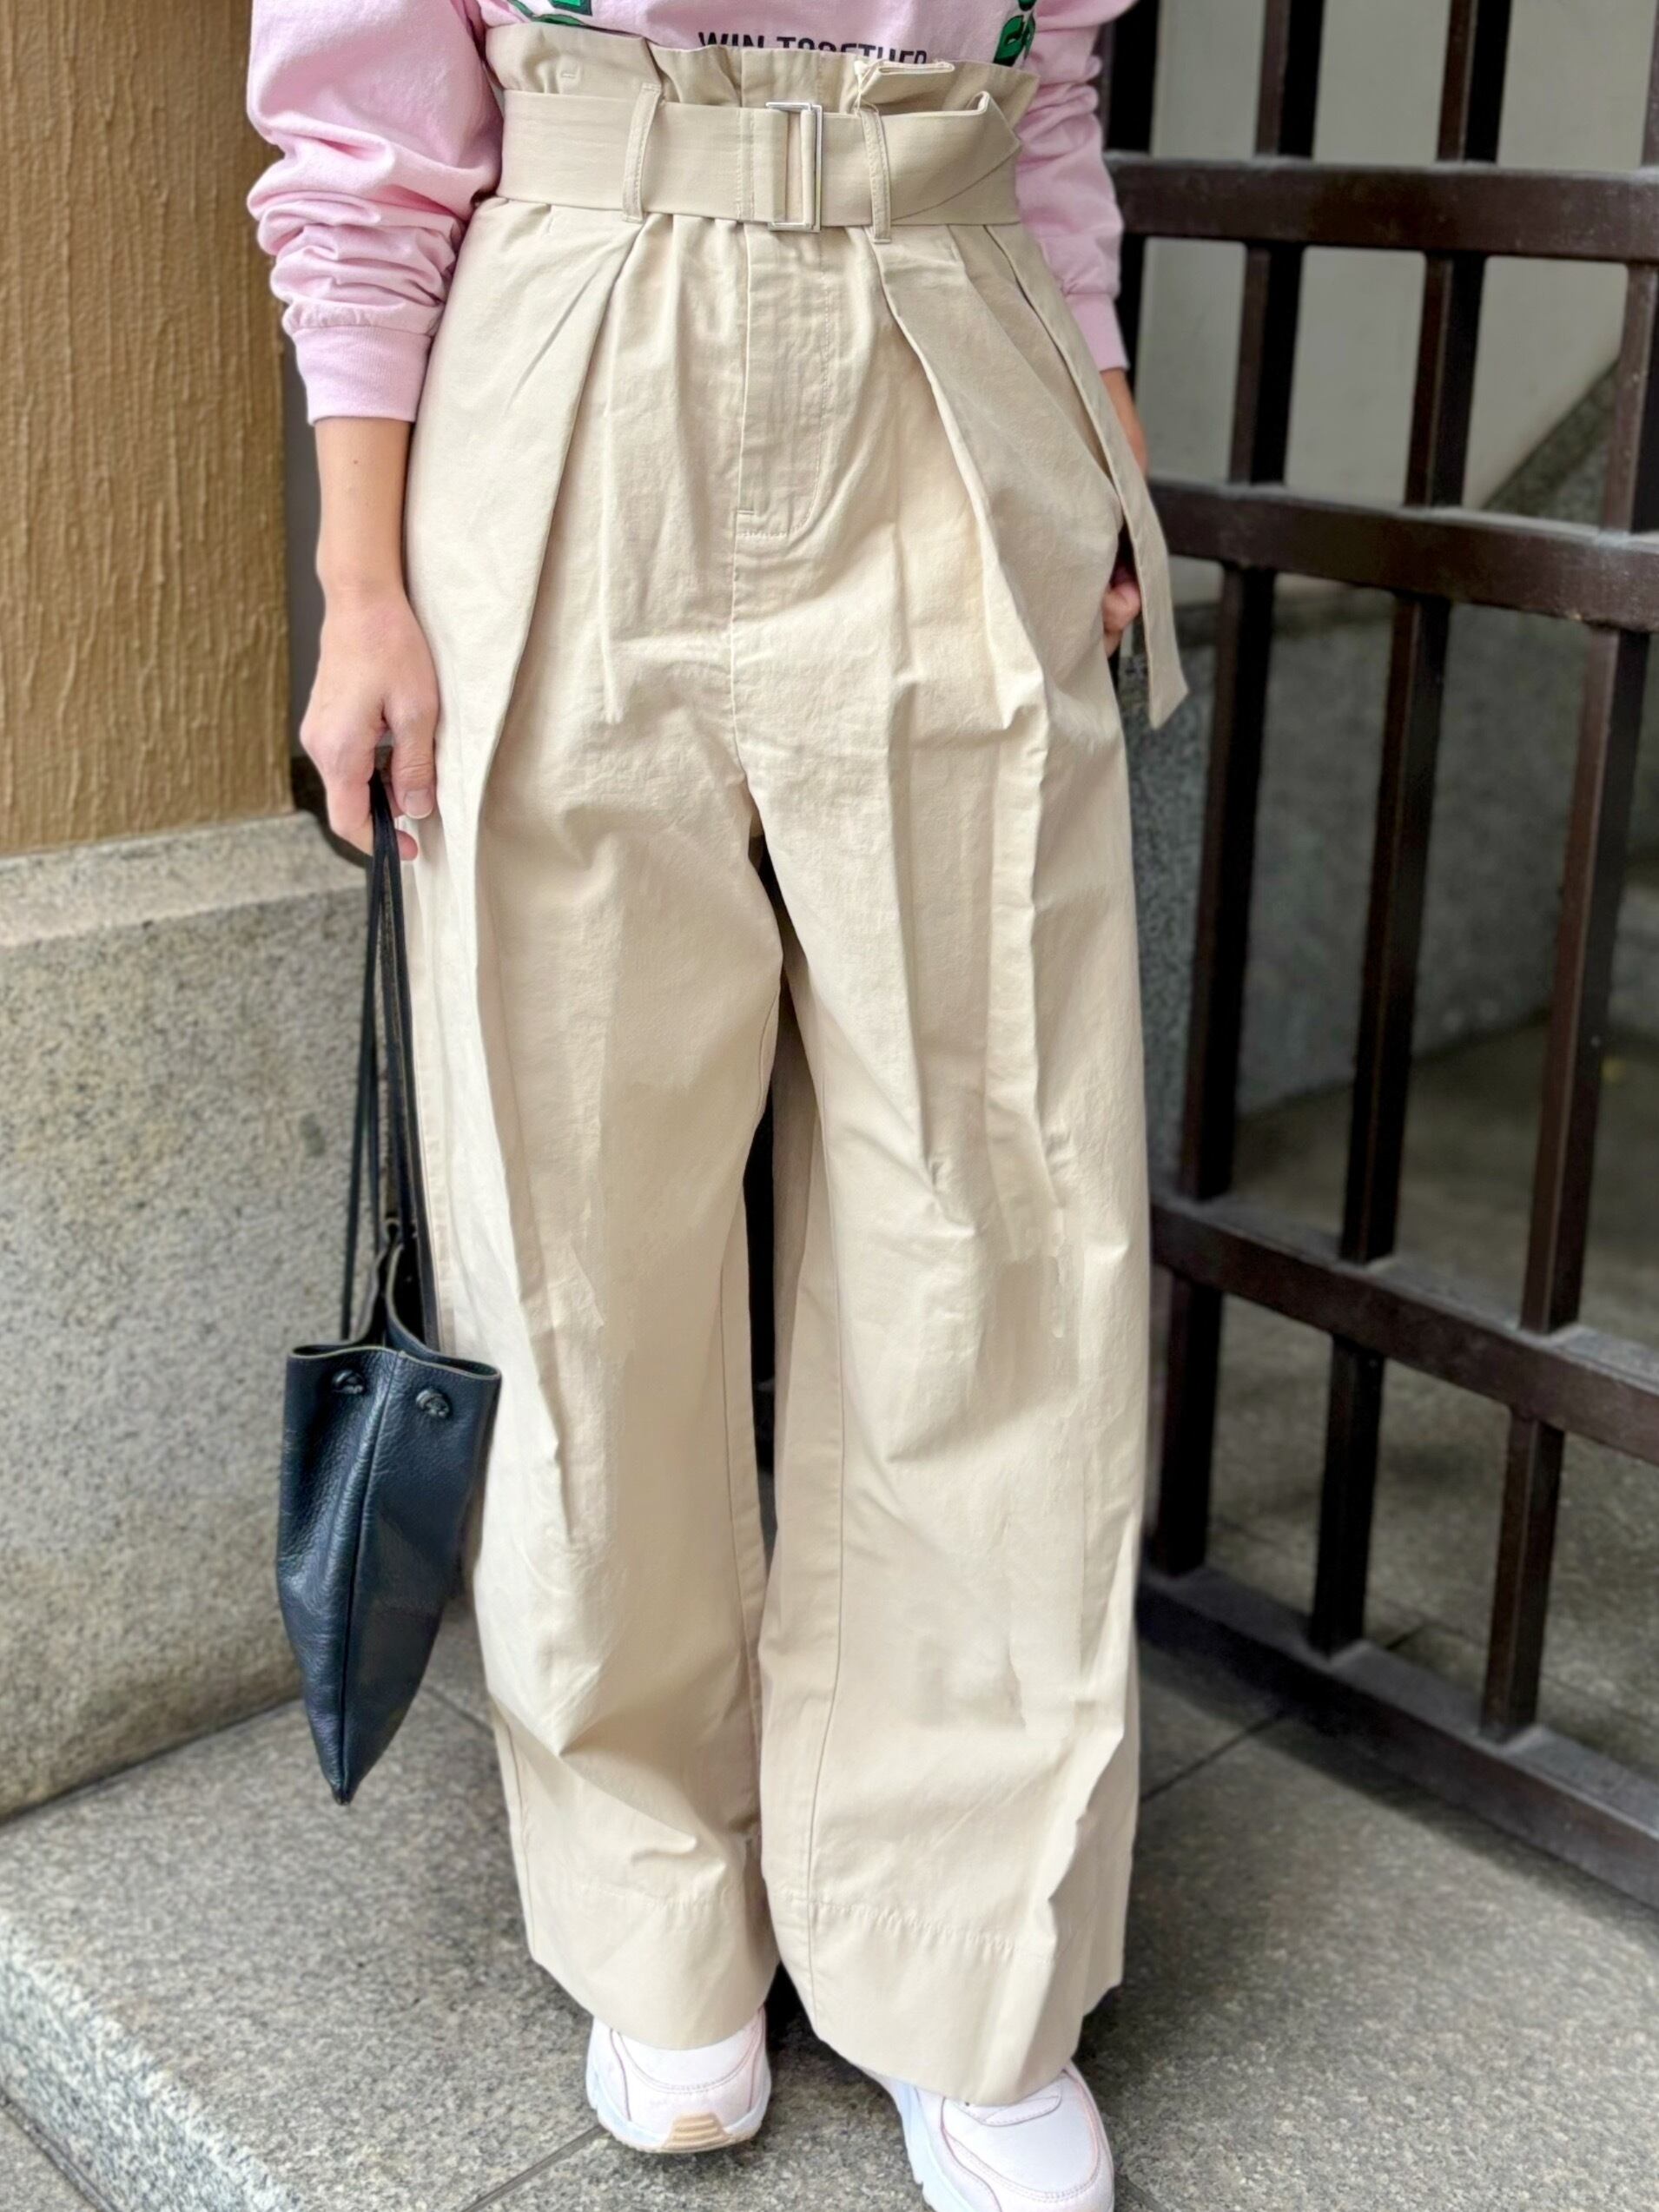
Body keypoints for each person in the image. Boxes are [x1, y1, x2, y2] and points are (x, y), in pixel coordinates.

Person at [248, 2, 1185, 2205]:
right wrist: (361, 577)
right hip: (575, 342)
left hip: (954, 334)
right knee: (574, 1216)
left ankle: (966, 1951)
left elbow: (1051, 98)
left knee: (1001, 1201)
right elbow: (366, 134)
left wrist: (1109, 446)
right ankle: (654, 1909)